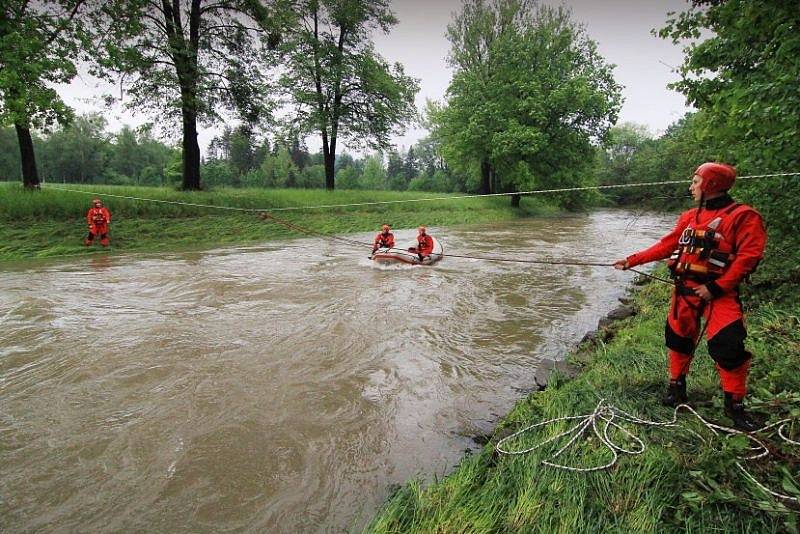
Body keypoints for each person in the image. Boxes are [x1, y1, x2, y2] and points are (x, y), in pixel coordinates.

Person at [613, 162, 767, 430]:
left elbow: (748, 258)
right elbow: (667, 245)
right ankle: (676, 388)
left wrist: (716, 288)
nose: (691, 186)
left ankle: (735, 407)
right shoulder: (688, 217)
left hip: (719, 293)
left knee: (728, 346)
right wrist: (631, 260)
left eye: (695, 182)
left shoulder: (744, 216)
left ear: (711, 185)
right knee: (678, 338)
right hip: (685, 291)